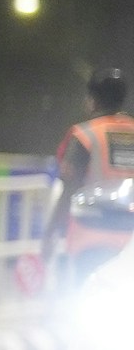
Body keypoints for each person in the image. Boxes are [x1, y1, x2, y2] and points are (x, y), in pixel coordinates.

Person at [44, 68, 134, 288]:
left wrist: (50, 234)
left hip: (91, 241)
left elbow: (68, 191)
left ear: (92, 100)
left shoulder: (84, 135)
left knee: (79, 302)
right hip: (130, 243)